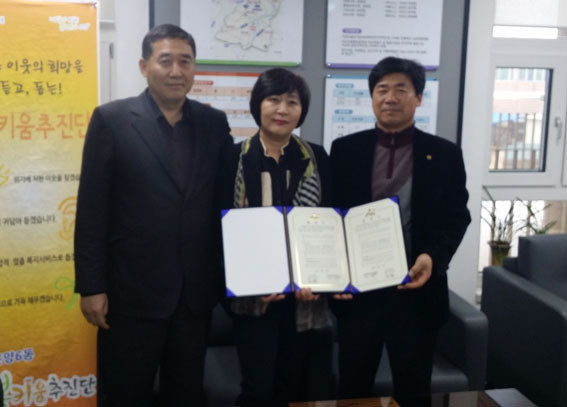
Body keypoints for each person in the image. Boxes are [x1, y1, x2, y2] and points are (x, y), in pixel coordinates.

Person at [74, 24, 231, 406]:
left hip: (194, 297)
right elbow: (92, 208)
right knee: (126, 395)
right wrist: (91, 286)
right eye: (166, 61)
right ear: (144, 66)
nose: (176, 71)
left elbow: (224, 205)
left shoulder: (213, 124)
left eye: (185, 61)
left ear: (194, 68)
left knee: (186, 396)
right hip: (130, 296)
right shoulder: (112, 120)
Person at [330, 57, 471, 404]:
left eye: (401, 89)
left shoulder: (444, 154)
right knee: (352, 391)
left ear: (419, 97)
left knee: (413, 392)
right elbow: (331, 218)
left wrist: (432, 258)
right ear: (372, 97)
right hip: (359, 297)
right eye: (382, 89)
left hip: (416, 294)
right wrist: (335, 274)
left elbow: (457, 217)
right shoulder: (345, 150)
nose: (390, 97)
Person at [219, 68, 334, 407]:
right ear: (258, 105)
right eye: (273, 100)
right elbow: (218, 229)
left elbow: (329, 224)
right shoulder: (233, 158)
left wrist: (323, 280)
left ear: (301, 111)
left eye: (292, 102)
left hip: (304, 299)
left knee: (294, 390)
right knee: (258, 392)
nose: (282, 109)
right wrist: (245, 282)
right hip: (254, 301)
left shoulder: (317, 157)